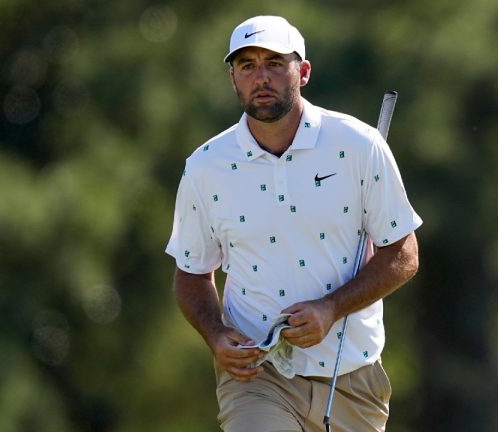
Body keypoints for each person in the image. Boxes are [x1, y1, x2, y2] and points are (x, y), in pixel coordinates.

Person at [166, 15, 422, 432]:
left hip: (352, 378)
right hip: (256, 375)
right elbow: (191, 274)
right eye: (247, 65)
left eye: (274, 63)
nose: (260, 77)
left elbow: (404, 253)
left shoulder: (358, 146)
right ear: (232, 78)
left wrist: (331, 307)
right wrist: (215, 335)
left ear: (302, 72)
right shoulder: (206, 167)